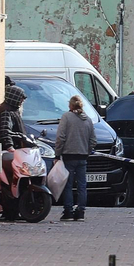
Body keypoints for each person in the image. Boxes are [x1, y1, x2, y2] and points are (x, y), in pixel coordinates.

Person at [54, 94, 96, 222]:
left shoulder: (66, 117)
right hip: (82, 157)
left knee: (68, 184)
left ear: (70, 105)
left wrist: (57, 154)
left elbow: (61, 137)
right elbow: (93, 140)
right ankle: (81, 212)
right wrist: (86, 151)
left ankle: (68, 212)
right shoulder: (88, 120)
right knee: (82, 186)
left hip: (69, 156)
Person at [0, 81, 29, 221]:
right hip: (10, 153)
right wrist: (10, 146)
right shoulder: (6, 111)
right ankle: (10, 211)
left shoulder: (13, 110)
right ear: (15, 97)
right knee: (10, 184)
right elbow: (5, 131)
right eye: (21, 98)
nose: (22, 101)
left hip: (16, 151)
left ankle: (15, 211)